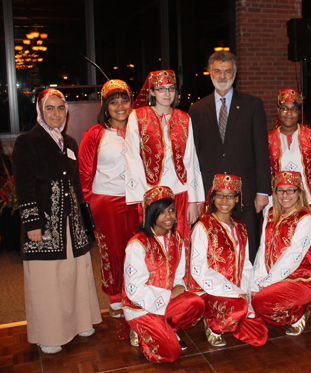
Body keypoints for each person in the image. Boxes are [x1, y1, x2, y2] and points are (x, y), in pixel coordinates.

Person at [12, 88, 102, 354]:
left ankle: (80, 322)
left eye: (60, 108)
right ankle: (48, 334)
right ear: (40, 111)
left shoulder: (70, 143)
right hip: (44, 224)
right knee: (47, 281)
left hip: (70, 225)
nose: (55, 114)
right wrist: (32, 225)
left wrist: (83, 222)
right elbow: (24, 188)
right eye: (49, 108)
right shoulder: (26, 142)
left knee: (74, 275)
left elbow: (75, 184)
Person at [189, 51, 272, 261]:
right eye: (218, 71)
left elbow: (262, 150)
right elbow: (194, 156)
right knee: (215, 245)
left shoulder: (253, 105)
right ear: (210, 73)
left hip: (246, 190)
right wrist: (196, 195)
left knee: (248, 244)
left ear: (235, 73)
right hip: (211, 190)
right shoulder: (196, 109)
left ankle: (248, 287)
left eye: (227, 71)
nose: (223, 76)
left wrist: (263, 191)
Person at [123, 186, 205, 363]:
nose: (168, 216)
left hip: (165, 301)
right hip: (141, 307)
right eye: (161, 212)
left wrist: (176, 290)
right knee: (172, 354)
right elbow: (134, 291)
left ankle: (166, 329)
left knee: (196, 304)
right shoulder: (137, 245)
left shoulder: (176, 239)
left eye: (172, 210)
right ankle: (145, 338)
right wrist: (169, 294)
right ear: (150, 214)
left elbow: (178, 275)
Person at [79, 79, 140, 317]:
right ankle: (115, 297)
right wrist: (89, 204)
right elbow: (84, 173)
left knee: (136, 249)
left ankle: (134, 292)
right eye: (113, 102)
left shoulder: (139, 131)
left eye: (124, 100)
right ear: (105, 106)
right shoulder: (95, 134)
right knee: (113, 251)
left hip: (136, 201)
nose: (120, 106)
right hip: (106, 201)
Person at [188, 174, 268, 347]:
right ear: (213, 197)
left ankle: (236, 315)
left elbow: (246, 265)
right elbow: (198, 270)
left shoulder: (241, 228)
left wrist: (244, 292)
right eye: (219, 195)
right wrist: (233, 292)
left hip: (236, 291)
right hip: (209, 290)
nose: (224, 200)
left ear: (237, 199)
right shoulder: (203, 227)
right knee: (239, 309)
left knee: (259, 335)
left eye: (230, 195)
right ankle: (213, 325)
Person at [125, 70, 205, 240]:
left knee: (181, 242)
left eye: (171, 88)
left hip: (180, 191)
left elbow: (190, 160)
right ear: (152, 91)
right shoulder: (137, 117)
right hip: (151, 192)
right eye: (161, 89)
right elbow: (132, 158)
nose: (167, 93)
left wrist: (194, 200)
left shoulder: (184, 118)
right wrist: (143, 198)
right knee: (154, 244)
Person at [268, 88, 311, 274]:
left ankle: (310, 283)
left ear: (299, 111)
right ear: (278, 110)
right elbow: (268, 172)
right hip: (282, 203)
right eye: (284, 108)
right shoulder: (269, 139)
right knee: (286, 246)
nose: (289, 113)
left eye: (294, 109)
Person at [251, 171, 311, 336]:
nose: (285, 195)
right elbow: (263, 248)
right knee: (250, 298)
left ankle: (297, 315)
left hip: (300, 280)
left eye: (290, 190)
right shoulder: (271, 213)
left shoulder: (305, 219)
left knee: (259, 303)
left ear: (299, 192)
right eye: (280, 190)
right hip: (273, 277)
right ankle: (299, 306)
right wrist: (256, 280)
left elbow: (292, 256)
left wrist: (266, 282)